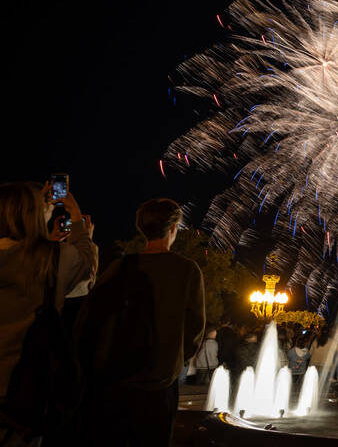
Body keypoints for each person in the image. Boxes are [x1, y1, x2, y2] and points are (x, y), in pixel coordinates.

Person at [78, 198, 205, 447]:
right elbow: (194, 329)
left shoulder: (120, 267)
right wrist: (176, 359)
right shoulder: (187, 270)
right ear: (173, 228)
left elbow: (90, 316)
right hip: (160, 381)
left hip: (116, 379)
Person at [0, 181, 97, 439]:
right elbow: (87, 270)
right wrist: (76, 218)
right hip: (24, 386)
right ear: (34, 215)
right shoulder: (53, 258)